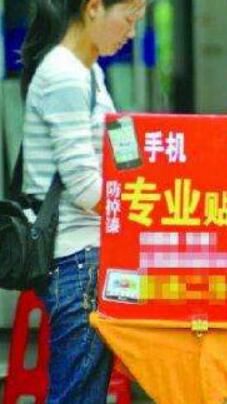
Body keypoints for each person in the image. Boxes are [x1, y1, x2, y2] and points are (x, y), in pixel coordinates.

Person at [20, 0, 146, 402]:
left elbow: (119, 157)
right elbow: (85, 186)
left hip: (88, 256)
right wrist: (148, 214)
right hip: (76, 260)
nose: (131, 33)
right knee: (78, 396)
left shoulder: (88, 71)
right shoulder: (65, 75)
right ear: (93, 8)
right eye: (129, 18)